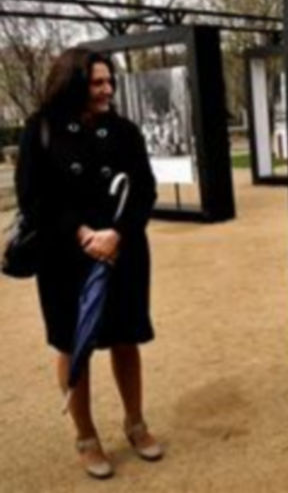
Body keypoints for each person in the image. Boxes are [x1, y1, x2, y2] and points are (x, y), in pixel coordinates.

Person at [15, 48, 162, 479]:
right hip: (65, 258)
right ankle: (86, 437)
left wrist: (117, 233)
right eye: (97, 82)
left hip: (124, 251)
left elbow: (145, 190)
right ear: (73, 83)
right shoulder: (40, 129)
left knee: (125, 338)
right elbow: (34, 197)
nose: (107, 89)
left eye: (109, 81)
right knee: (71, 344)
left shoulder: (125, 131)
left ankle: (136, 424)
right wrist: (81, 233)